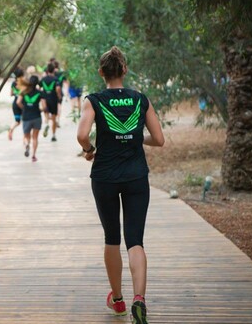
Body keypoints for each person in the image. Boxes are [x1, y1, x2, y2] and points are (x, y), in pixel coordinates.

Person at [76, 46, 164, 324]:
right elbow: (159, 139)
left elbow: (81, 135)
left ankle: (118, 300)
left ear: (101, 72)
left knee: (112, 238)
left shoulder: (94, 100)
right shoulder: (140, 100)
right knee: (135, 240)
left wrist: (90, 149)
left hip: (104, 177)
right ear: (124, 70)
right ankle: (140, 299)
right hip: (136, 176)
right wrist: (138, 139)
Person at [17, 75, 47, 162]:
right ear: (37, 83)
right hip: (37, 117)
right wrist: (40, 110)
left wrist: (24, 108)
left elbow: (18, 102)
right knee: (35, 137)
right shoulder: (40, 93)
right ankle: (33, 155)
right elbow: (44, 107)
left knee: (27, 136)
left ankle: (26, 145)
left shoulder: (24, 91)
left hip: (26, 117)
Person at [39, 63, 62, 141]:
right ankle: (53, 135)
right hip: (53, 99)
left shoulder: (43, 79)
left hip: (45, 99)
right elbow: (58, 89)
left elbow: (39, 87)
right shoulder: (55, 79)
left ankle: (46, 124)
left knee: (46, 114)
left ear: (47, 70)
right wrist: (59, 96)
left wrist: (42, 94)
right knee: (54, 117)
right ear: (53, 70)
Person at [8, 67, 25, 141]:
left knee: (17, 121)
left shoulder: (13, 83)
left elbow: (11, 94)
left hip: (15, 104)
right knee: (25, 121)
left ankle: (11, 128)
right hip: (22, 104)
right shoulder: (24, 83)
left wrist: (16, 93)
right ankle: (25, 139)